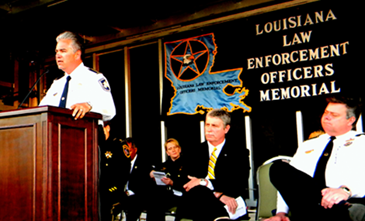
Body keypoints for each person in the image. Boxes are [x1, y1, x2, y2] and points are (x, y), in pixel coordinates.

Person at [266, 96, 365, 221]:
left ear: (350, 120)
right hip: (308, 207)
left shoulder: (361, 142)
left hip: (346, 203)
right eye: (326, 112)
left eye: (334, 115)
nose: (327, 117)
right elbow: (294, 183)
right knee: (278, 168)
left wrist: (346, 191)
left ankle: (335, 208)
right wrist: (281, 213)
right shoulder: (308, 145)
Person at [177, 109, 250, 221]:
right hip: (196, 202)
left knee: (200, 188)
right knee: (200, 191)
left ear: (226, 129)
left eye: (214, 126)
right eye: (207, 125)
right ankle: (221, 217)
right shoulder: (193, 152)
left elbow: (238, 182)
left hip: (227, 203)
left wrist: (204, 182)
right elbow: (185, 182)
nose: (209, 130)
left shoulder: (239, 153)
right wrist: (218, 194)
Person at [39, 31, 115, 121]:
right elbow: (41, 111)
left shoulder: (93, 78)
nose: (58, 55)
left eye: (63, 51)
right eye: (56, 52)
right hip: (57, 133)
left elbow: (109, 110)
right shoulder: (57, 83)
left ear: (77, 54)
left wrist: (89, 106)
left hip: (85, 133)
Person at [119, 138, 163, 221]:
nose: (126, 154)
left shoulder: (144, 162)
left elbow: (144, 185)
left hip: (138, 196)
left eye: (128, 150)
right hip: (123, 195)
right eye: (124, 151)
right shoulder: (121, 162)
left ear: (135, 149)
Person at [99, 121, 130, 221]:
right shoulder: (97, 144)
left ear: (107, 128)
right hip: (98, 188)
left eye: (101, 129)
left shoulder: (119, 145)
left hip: (113, 189)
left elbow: (124, 172)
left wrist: (113, 189)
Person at [149, 138, 189, 213]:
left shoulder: (187, 164)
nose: (173, 150)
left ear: (179, 149)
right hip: (167, 196)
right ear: (167, 153)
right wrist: (152, 174)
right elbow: (154, 172)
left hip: (182, 196)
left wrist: (172, 183)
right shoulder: (164, 166)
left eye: (175, 147)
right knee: (153, 202)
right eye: (170, 149)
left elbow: (187, 183)